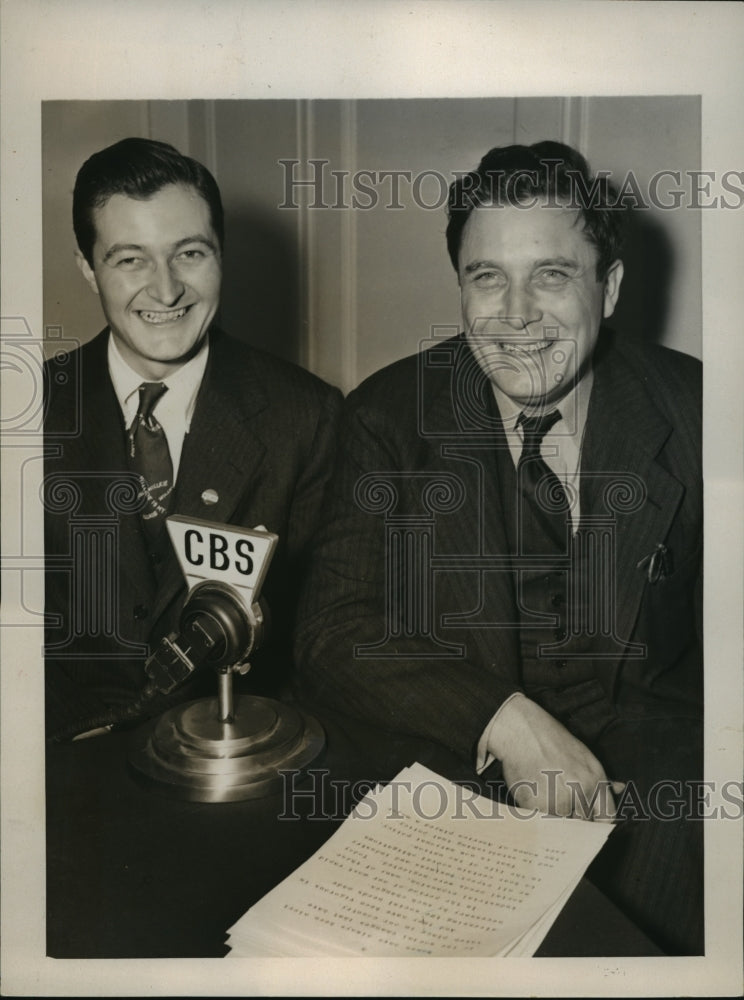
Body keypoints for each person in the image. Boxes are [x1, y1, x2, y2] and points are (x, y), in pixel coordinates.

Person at [295, 141, 703, 954]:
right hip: (455, 768)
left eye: (551, 274)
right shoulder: (388, 416)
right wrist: (503, 718)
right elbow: (332, 632)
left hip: (666, 784)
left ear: (610, 287)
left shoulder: (702, 415)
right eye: (488, 277)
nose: (516, 314)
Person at [44, 137, 342, 742]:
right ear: (86, 266)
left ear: (221, 253)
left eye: (190, 253)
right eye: (130, 259)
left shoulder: (307, 416)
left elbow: (324, 643)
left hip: (241, 761)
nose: (166, 290)